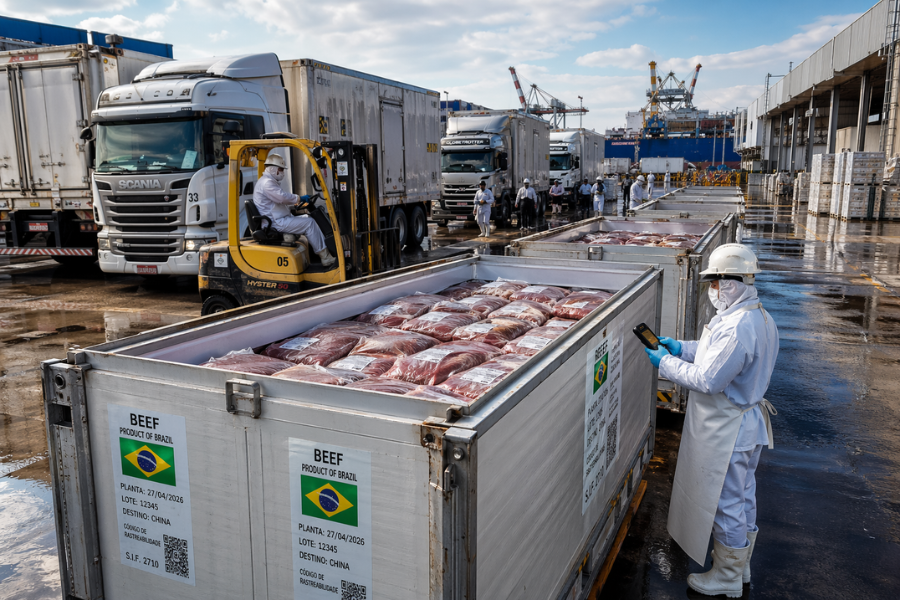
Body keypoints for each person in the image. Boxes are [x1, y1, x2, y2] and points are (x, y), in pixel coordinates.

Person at [643, 244, 779, 598]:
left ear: (735, 282)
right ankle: (740, 566)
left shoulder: (738, 326)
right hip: (745, 427)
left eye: (716, 282)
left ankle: (727, 578)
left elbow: (708, 380)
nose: (713, 290)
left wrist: (664, 364)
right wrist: (680, 348)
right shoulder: (755, 316)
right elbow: (715, 358)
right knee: (744, 497)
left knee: (726, 502)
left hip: (728, 431)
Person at [253, 153, 336, 267]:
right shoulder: (267, 183)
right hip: (276, 222)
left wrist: (294, 205)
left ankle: (324, 253)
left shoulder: (268, 182)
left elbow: (277, 202)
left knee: (308, 218)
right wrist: (299, 198)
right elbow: (282, 197)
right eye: (281, 169)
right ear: (273, 169)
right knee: (309, 224)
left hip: (279, 218)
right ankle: (325, 257)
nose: (282, 172)